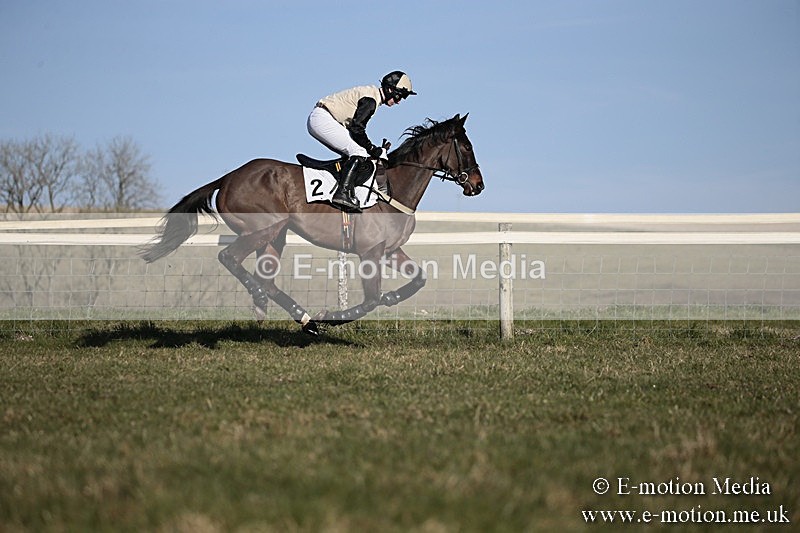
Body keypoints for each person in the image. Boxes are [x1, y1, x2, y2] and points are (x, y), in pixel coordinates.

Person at [307, 70, 416, 211]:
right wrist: (373, 149)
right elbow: (357, 129)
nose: (399, 101)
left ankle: (343, 188)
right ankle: (343, 193)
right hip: (323, 119)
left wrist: (372, 149)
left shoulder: (372, 95)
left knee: (357, 153)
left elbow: (356, 131)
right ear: (390, 89)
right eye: (399, 96)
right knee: (359, 152)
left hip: (325, 118)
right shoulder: (371, 100)